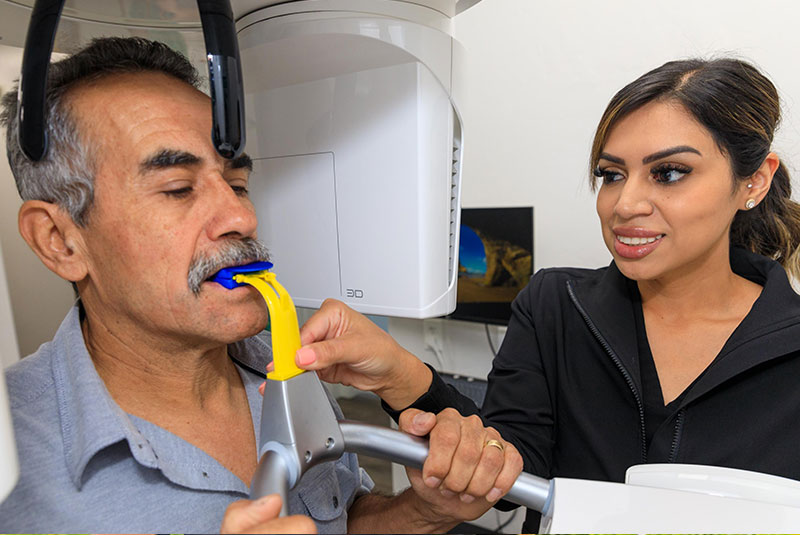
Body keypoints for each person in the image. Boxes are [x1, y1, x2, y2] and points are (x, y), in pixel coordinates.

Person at [0, 37, 521, 533]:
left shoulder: (283, 369)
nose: (240, 217)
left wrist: (425, 512)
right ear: (60, 241)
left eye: (238, 184)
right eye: (178, 189)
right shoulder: (18, 457)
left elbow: (337, 520)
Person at [292, 57, 800, 532]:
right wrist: (402, 376)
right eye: (611, 175)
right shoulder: (557, 305)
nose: (624, 204)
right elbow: (510, 470)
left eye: (668, 173)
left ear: (754, 181)